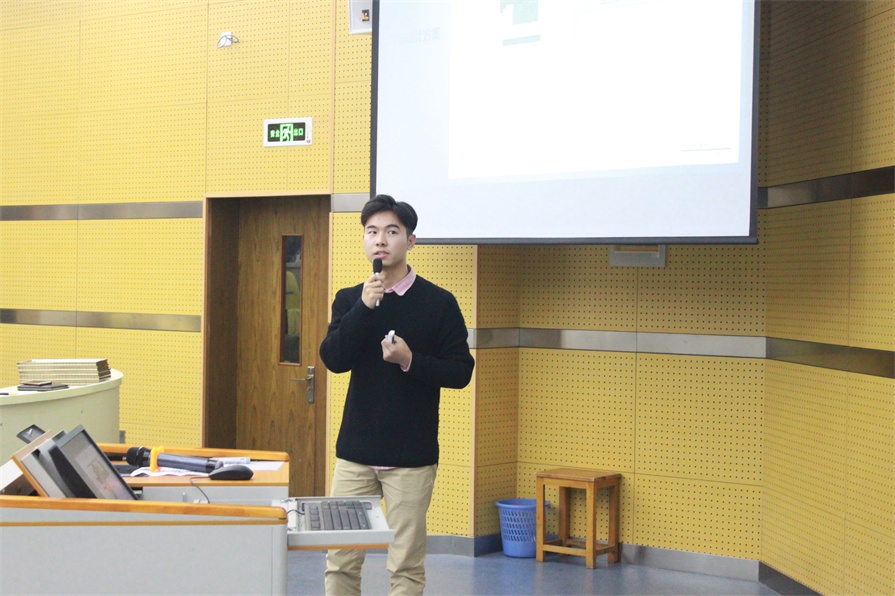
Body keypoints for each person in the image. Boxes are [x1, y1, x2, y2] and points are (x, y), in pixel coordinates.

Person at [319, 194, 475, 595]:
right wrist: (364, 309)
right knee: (340, 560)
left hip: (411, 456)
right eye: (372, 232)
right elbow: (334, 359)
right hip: (356, 453)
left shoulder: (439, 303)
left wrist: (410, 360)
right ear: (364, 240)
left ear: (411, 240)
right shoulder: (351, 299)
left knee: (405, 564)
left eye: (391, 231)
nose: (380, 240)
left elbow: (461, 371)